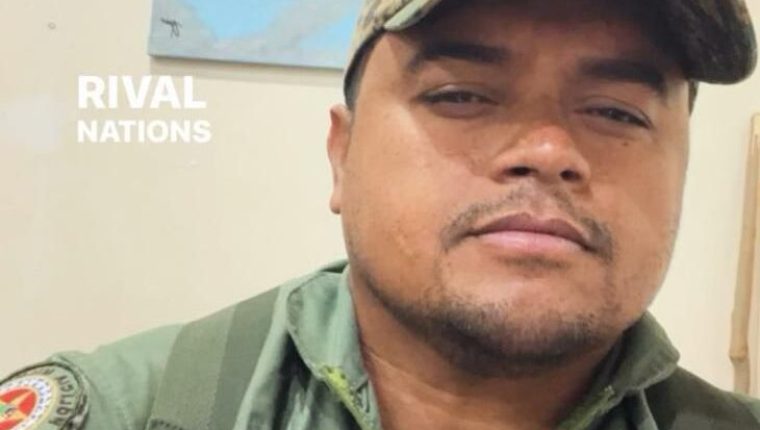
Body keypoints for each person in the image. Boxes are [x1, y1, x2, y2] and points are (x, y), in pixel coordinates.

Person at [3, 0, 759, 428]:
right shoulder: (120, 411)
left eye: (616, 112)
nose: (548, 151)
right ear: (342, 155)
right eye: (460, 95)